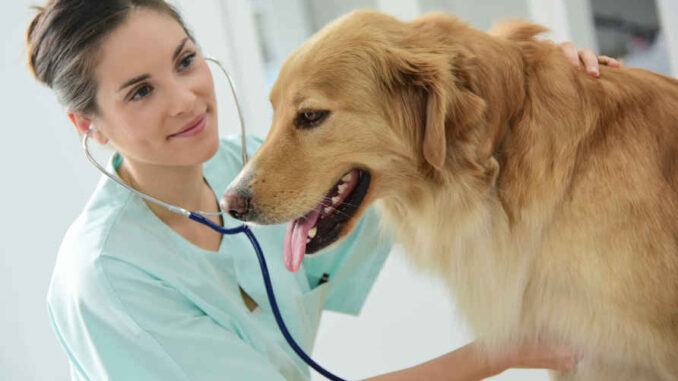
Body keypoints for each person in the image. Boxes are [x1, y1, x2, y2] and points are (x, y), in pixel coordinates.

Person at [26, 1, 620, 380]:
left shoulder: (250, 168)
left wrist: (536, 78)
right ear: (88, 125)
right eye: (139, 91)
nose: (185, 99)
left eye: (185, 61)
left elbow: (424, 166)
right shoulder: (109, 277)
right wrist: (492, 355)